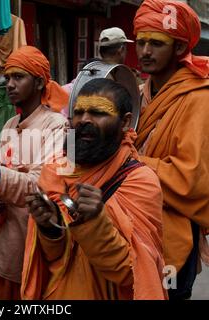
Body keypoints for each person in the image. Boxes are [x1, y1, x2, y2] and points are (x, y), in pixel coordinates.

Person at [23, 78, 167, 300]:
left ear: (125, 122)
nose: (84, 121)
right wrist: (50, 227)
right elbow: (54, 258)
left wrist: (95, 223)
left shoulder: (140, 180)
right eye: (79, 112)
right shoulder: (55, 170)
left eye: (98, 113)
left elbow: (132, 273)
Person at [0, 46, 69, 299]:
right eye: (7, 78)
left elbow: (43, 187)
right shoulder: (9, 124)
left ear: (39, 82)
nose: (9, 84)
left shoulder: (58, 126)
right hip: (8, 242)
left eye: (18, 77)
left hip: (37, 244)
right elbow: (1, 180)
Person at [133, 0, 209, 299]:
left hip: (175, 236)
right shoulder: (139, 93)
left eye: (156, 43)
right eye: (140, 42)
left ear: (179, 48)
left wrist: (131, 162)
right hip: (133, 229)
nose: (145, 51)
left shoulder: (199, 98)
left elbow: (190, 178)